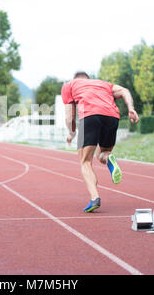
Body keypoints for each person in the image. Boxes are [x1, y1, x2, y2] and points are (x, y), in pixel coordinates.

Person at [61, 71, 139, 213]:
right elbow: (124, 91)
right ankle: (109, 158)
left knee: (85, 162)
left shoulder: (69, 85)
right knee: (103, 153)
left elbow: (70, 117)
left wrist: (71, 133)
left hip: (90, 116)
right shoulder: (103, 84)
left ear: (75, 79)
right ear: (89, 79)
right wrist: (131, 108)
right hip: (112, 117)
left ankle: (94, 198)